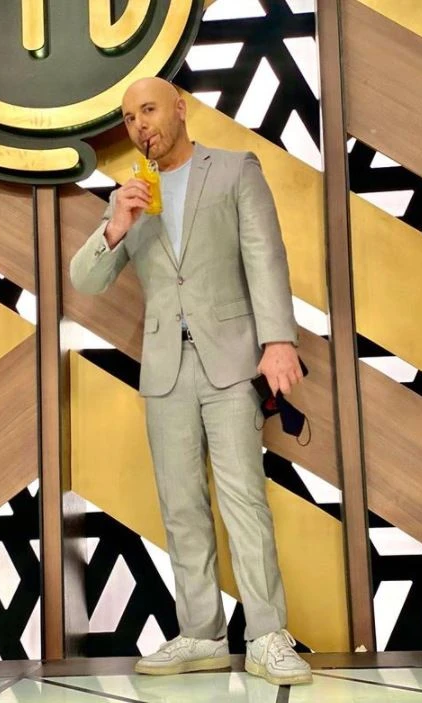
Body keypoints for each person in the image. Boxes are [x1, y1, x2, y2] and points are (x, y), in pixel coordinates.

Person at [70, 77, 312, 686]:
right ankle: (201, 633)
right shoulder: (130, 195)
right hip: (164, 368)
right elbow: (85, 281)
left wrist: (278, 340)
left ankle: (266, 636)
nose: (139, 125)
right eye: (129, 118)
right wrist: (115, 226)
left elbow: (264, 253)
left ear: (179, 109)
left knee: (243, 500)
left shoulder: (234, 169)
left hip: (229, 361)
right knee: (180, 505)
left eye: (148, 110)